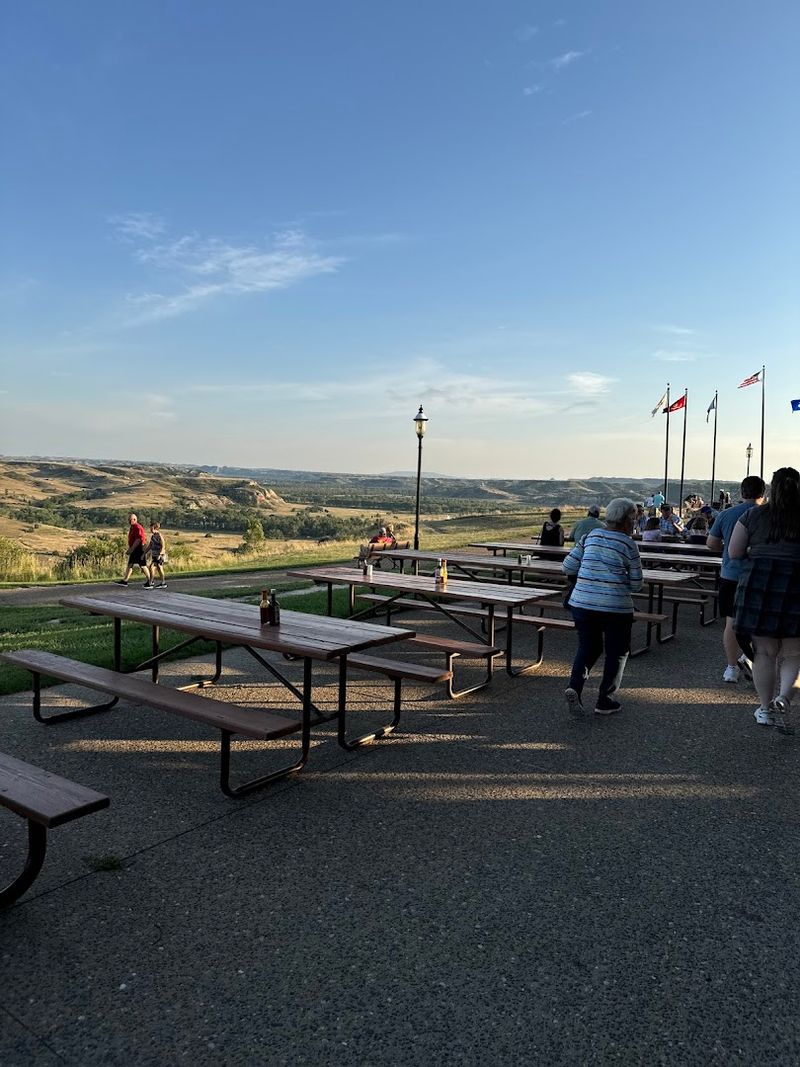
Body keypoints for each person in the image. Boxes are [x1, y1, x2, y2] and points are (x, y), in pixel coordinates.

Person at [729, 468, 800, 732]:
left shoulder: (754, 514)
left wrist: (755, 550)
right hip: (797, 585)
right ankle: (784, 699)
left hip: (760, 584)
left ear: (773, 487)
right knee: (795, 654)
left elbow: (734, 552)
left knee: (765, 653)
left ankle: (765, 708)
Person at [562, 498, 644, 717]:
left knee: (588, 646)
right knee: (617, 652)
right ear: (627, 520)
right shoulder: (629, 544)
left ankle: (575, 686)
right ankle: (604, 700)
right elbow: (636, 584)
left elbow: (567, 565)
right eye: (634, 518)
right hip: (616, 607)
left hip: (582, 603)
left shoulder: (590, 537)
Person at [706, 475, 765, 684]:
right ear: (763, 493)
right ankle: (751, 660)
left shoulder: (726, 514)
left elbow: (711, 543)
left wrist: (729, 550)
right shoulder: (766, 515)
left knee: (731, 622)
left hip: (730, 574)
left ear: (741, 492)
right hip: (760, 576)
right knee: (759, 624)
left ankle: (731, 668)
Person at [117, 513, 151, 587]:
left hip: (139, 548)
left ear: (135, 519)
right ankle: (125, 580)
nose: (129, 521)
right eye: (129, 520)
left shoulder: (137, 527)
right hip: (135, 548)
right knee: (130, 564)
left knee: (142, 565)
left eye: (130, 520)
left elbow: (138, 539)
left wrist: (131, 549)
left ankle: (149, 580)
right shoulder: (132, 527)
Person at [148, 521, 168, 588]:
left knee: (153, 567)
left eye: (151, 529)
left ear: (155, 528)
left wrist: (160, 554)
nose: (150, 530)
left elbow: (163, 545)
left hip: (159, 555)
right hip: (154, 554)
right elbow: (150, 546)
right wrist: (144, 553)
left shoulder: (159, 535)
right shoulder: (153, 536)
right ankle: (162, 582)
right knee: (159, 568)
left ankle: (151, 582)